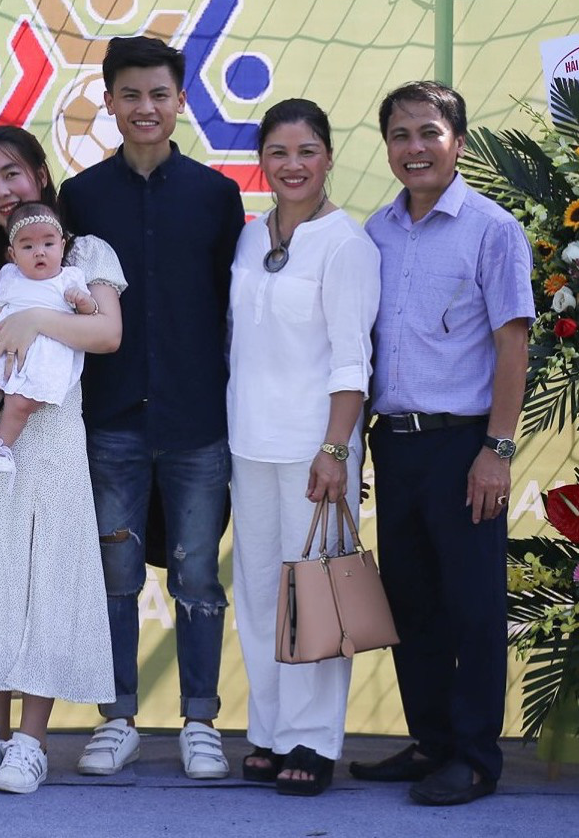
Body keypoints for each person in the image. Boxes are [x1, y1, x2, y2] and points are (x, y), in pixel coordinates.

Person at [58, 35, 245, 779]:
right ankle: (117, 718)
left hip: (198, 423)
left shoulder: (215, 195)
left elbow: (234, 309)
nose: (145, 107)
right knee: (115, 577)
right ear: (107, 102)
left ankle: (200, 720)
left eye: (159, 94)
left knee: (197, 578)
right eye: (130, 94)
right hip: (110, 422)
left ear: (180, 101)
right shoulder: (80, 197)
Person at [0, 125, 125, 794]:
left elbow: (106, 331)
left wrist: (34, 323)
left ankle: (31, 742)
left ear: (39, 172)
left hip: (53, 436)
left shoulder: (83, 250)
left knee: (45, 580)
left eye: (10, 173)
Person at [348, 81, 534, 806]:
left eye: (429, 132)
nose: (414, 147)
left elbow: (512, 345)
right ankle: (431, 742)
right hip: (396, 445)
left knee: (473, 607)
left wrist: (497, 450)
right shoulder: (377, 231)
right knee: (412, 602)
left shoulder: (491, 229)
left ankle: (476, 758)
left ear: (456, 140)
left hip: (465, 448)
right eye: (400, 134)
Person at [226, 99, 380, 796]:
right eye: (278, 152)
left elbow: (352, 360)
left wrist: (336, 449)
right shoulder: (247, 236)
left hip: (316, 450)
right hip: (248, 442)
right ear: (261, 160)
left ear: (328, 158)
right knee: (260, 595)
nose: (292, 165)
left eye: (307, 151)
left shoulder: (346, 244)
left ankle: (312, 740)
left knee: (314, 596)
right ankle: (267, 730)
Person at [0, 201, 98, 473]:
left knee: (20, 404)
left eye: (48, 244)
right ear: (13, 254)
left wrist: (84, 301)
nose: (39, 252)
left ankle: (1, 447)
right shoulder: (10, 276)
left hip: (45, 357)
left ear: (62, 246)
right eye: (28, 247)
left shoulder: (69, 278)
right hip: (4, 347)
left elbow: (91, 315)